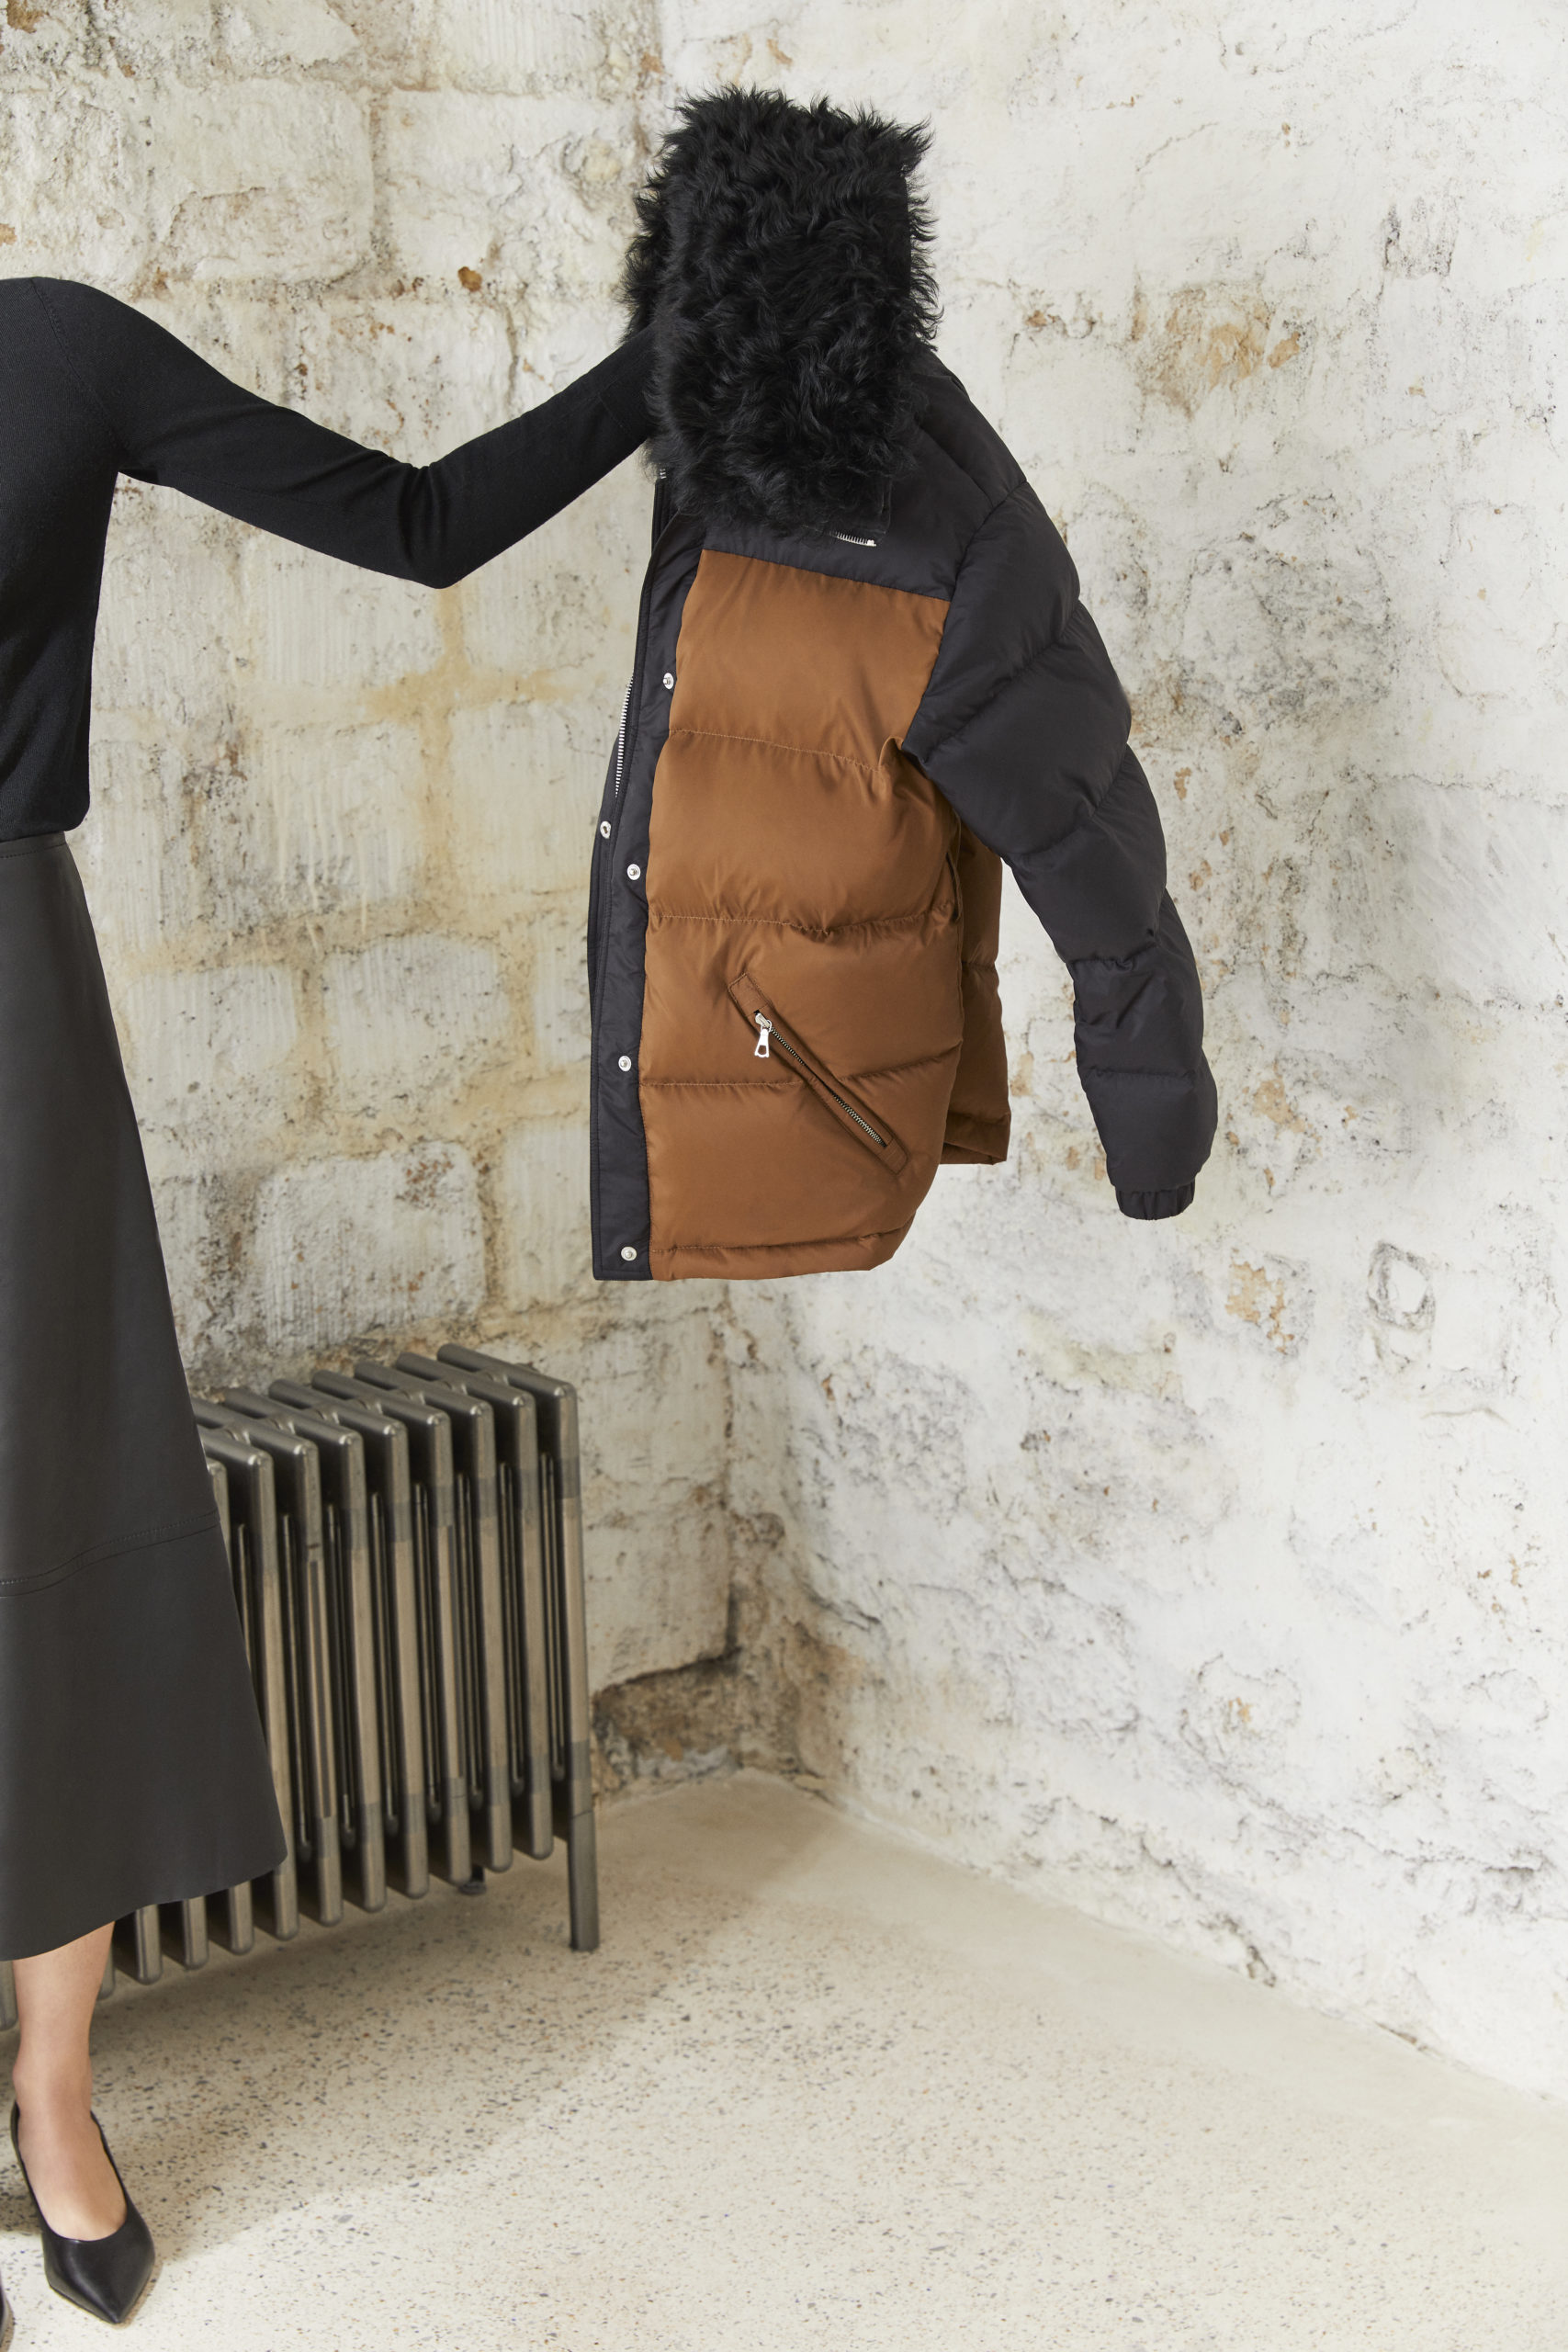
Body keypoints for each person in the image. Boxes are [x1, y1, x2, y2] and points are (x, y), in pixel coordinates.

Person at [0, 277, 650, 2335]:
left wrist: (669, 356)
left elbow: (416, 523)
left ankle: (52, 2090)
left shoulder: (54, 355)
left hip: (3, 1022)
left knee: (55, 1538)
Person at [585, 88, 1215, 1283]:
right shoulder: (688, 447)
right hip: (729, 1066)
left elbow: (1085, 833)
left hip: (813, 1088)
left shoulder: (939, 517)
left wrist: (1155, 1129)